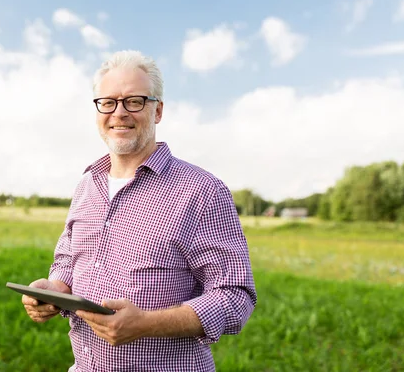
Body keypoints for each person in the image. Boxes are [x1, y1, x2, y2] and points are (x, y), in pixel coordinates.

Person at [22, 50, 257, 371]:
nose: (119, 113)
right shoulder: (87, 185)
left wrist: (146, 324)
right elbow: (66, 261)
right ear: (97, 111)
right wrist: (54, 290)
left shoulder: (202, 191)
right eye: (108, 102)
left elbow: (234, 296)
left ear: (157, 111)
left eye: (134, 101)